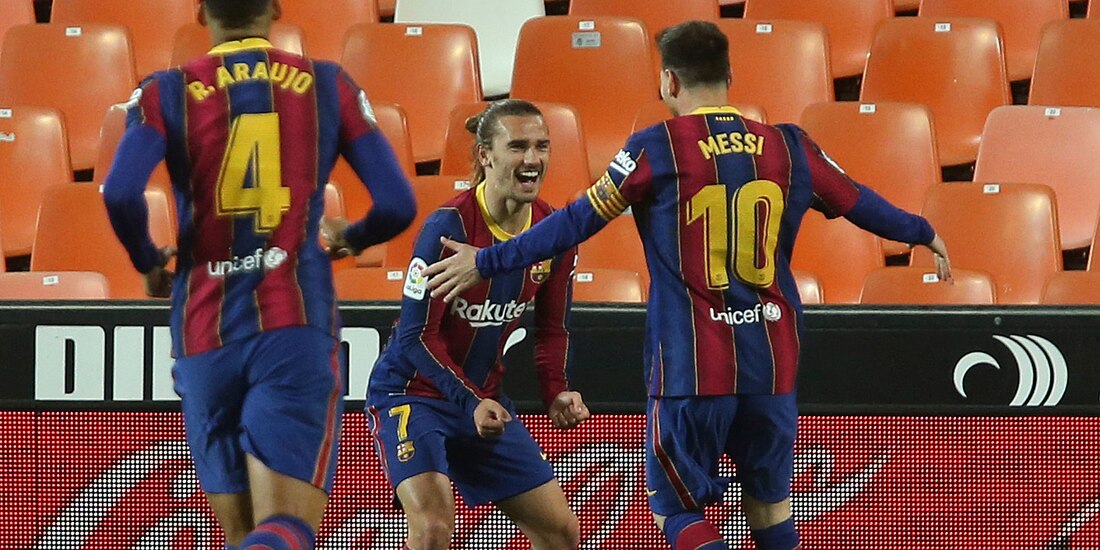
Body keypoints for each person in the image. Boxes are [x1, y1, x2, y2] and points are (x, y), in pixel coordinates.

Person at [423, 21, 952, 550]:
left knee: (677, 505)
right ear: (730, 75)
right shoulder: (789, 145)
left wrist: (490, 260)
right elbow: (861, 201)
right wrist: (922, 231)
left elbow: (576, 221)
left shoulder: (658, 148)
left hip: (691, 364)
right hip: (772, 363)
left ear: (669, 82)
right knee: (769, 506)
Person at [103, 0, 416, 548]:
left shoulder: (164, 90)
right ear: (274, 7)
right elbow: (396, 202)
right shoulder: (326, 84)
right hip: (291, 325)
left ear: (200, 12)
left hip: (203, 334)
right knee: (286, 529)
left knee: (245, 535)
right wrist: (353, 237)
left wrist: (147, 261)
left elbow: (122, 192)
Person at [365, 99, 591, 550]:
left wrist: (556, 390)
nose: (533, 159)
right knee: (432, 529)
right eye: (518, 147)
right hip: (414, 394)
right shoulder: (446, 229)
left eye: (542, 146)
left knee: (562, 531)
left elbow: (551, 330)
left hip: (483, 400)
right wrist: (469, 402)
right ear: (486, 155)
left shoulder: (554, 231)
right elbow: (414, 336)